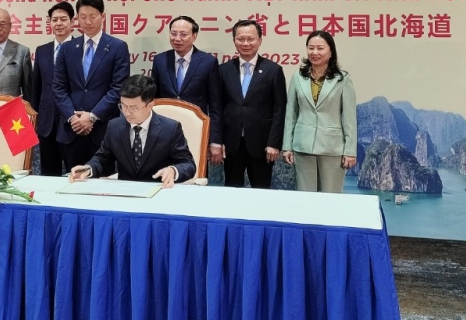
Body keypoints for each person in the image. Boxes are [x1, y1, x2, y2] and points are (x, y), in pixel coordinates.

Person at [68, 75, 194, 187]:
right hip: (124, 192)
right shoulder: (114, 126)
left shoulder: (170, 128)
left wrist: (173, 171)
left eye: (133, 108)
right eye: (123, 106)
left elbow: (188, 164)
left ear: (150, 105)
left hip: (158, 191)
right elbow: (103, 159)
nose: (127, 113)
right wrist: (88, 168)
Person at [52, 0, 130, 171]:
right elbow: (58, 88)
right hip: (71, 129)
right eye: (83, 17)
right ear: (77, 19)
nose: (87, 22)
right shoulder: (67, 48)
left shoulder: (117, 47)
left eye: (93, 16)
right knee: (72, 179)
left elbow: (118, 88)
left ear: (103, 17)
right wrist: (74, 118)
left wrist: (92, 116)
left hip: (102, 130)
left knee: (103, 181)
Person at [214, 20, 287, 188]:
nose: (245, 43)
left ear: (260, 40)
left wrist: (274, 143)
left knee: (261, 191)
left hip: (262, 145)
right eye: (240, 39)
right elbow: (218, 107)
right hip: (231, 144)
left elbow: (279, 109)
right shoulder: (224, 70)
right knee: (232, 189)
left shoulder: (273, 70)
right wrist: (217, 141)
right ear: (234, 41)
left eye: (250, 39)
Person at [282, 30, 357, 193]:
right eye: (311, 48)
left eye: (320, 48)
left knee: (331, 197)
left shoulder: (342, 79)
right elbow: (291, 114)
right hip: (303, 147)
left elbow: (349, 118)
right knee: (306, 196)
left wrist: (350, 151)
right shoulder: (297, 78)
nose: (314, 52)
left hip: (332, 148)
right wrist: (287, 146)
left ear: (331, 52)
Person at [28, 1, 75, 176]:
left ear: (72, 22)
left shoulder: (80, 48)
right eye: (54, 20)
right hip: (47, 119)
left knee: (74, 169)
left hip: (72, 118)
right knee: (48, 171)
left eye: (63, 19)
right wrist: (35, 117)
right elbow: (36, 87)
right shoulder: (42, 51)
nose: (59, 23)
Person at [150, 15, 222, 127]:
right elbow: (154, 97)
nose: (177, 38)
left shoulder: (208, 62)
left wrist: (214, 136)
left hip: (196, 126)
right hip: (165, 125)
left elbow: (215, 104)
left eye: (183, 34)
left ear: (194, 36)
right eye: (173, 33)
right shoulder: (160, 60)